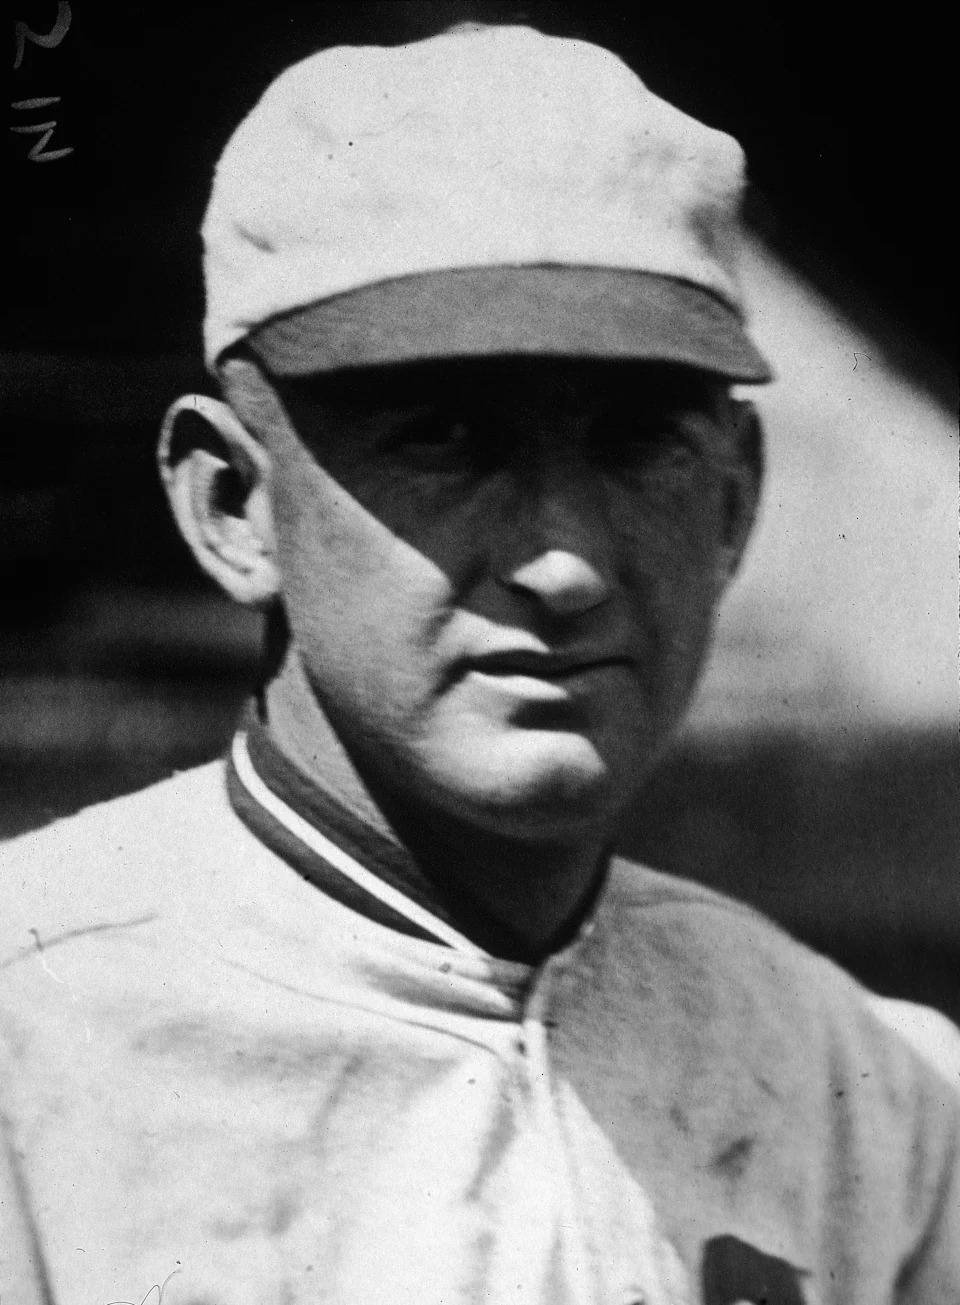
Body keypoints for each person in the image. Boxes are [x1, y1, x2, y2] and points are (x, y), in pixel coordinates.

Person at [1, 22, 957, 1305]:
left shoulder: (871, 1093)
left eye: (636, 444)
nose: (565, 566)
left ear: (732, 508)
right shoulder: (33, 1033)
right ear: (233, 504)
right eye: (449, 437)